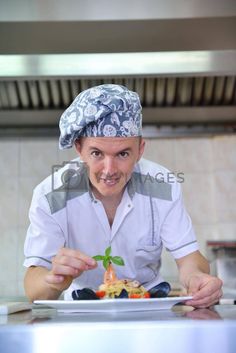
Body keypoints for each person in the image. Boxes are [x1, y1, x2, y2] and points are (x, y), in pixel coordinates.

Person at [24, 84, 222, 307]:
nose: (109, 169)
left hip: (148, 308)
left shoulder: (163, 185)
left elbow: (189, 258)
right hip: (81, 313)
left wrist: (196, 278)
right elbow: (33, 286)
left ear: (140, 150)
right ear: (79, 149)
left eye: (123, 154)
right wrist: (54, 281)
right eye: (97, 153)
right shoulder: (50, 195)